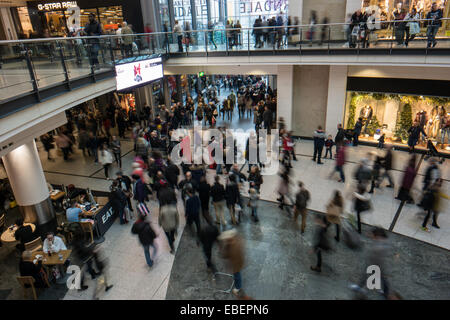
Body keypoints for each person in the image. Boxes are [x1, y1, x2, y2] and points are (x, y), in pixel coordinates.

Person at [218, 229, 245, 297]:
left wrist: (231, 266)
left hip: (236, 264)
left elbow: (231, 255)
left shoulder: (235, 247)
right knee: (236, 274)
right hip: (235, 263)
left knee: (237, 275)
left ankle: (238, 287)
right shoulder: (233, 242)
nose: (225, 240)